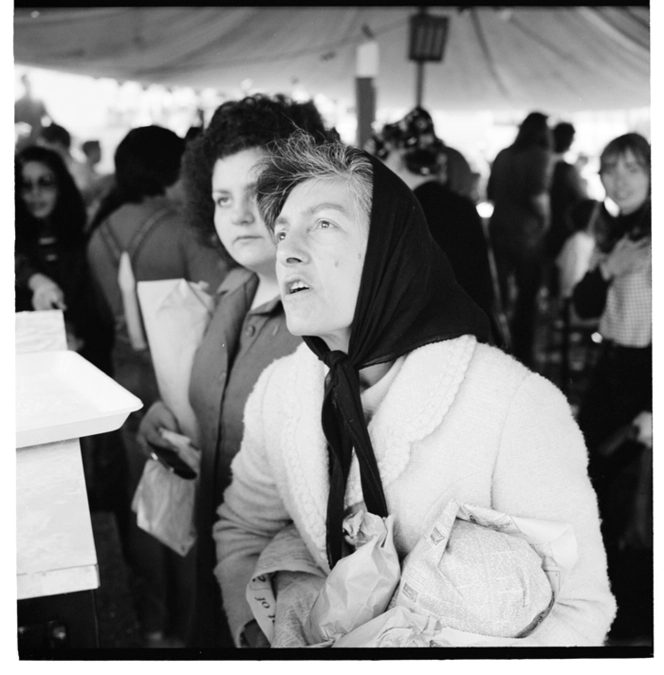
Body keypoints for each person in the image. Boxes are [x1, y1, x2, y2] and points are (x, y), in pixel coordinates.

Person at [214, 132, 616, 648]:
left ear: (388, 252)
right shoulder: (281, 390)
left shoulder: (515, 406)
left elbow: (580, 611)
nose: (287, 252)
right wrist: (258, 638)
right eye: (284, 232)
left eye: (322, 225)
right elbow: (242, 529)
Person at [136, 95, 331, 648]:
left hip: (282, 600)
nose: (239, 216)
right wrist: (165, 418)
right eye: (223, 198)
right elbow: (207, 411)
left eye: (259, 194)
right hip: (213, 569)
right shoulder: (227, 295)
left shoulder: (328, 320)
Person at [87, 124, 228, 647]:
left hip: (126, 379)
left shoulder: (101, 230)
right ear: (171, 170)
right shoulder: (182, 228)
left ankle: (150, 621)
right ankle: (188, 626)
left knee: (144, 500)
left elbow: (101, 314)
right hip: (177, 383)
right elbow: (218, 303)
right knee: (185, 498)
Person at [572, 133, 652, 643]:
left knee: (630, 502)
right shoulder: (613, 229)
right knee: (592, 483)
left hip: (646, 375)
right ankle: (602, 607)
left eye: (631, 169)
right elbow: (581, 304)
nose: (618, 180)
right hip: (611, 369)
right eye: (609, 170)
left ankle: (632, 623)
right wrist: (607, 267)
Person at [374, 115, 500, 346]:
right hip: (469, 334)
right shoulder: (461, 206)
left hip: (427, 341)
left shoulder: (404, 211)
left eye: (384, 154)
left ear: (401, 155)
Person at [14, 145, 112, 372]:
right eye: (25, 185)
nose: (35, 193)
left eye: (45, 182)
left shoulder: (79, 239)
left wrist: (73, 332)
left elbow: (93, 308)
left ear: (60, 185)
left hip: (80, 362)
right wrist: (37, 281)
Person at [487, 111, 554, 368]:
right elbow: (538, 196)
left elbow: (491, 192)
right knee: (527, 299)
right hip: (527, 235)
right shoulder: (540, 155)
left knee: (500, 296)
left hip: (499, 228)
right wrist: (546, 222)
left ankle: (501, 350)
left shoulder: (504, 154)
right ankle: (524, 357)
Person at [546, 122, 588, 299]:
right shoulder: (566, 170)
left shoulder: (544, 165)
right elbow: (582, 200)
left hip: (546, 229)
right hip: (561, 228)